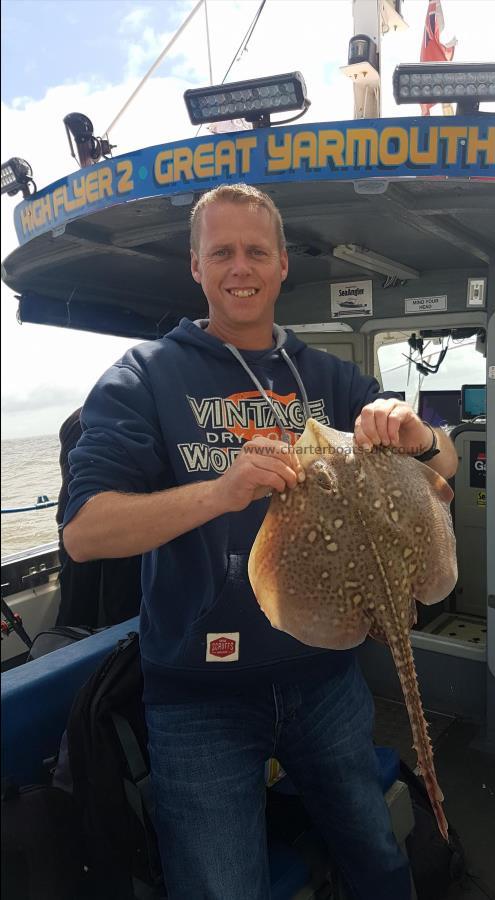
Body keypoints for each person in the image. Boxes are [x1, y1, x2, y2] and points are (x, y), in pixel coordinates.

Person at [63, 183, 458, 899]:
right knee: (222, 886)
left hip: (325, 676)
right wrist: (220, 492)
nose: (238, 267)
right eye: (222, 252)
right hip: (198, 695)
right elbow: (86, 533)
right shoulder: (143, 377)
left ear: (280, 266)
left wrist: (419, 432)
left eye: (255, 251)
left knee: (375, 848)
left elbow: (441, 469)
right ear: (196, 266)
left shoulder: (330, 376)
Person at [55, 407, 142, 628]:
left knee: (75, 612)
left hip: (73, 527)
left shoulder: (77, 418)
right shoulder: (120, 418)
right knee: (119, 615)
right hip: (110, 532)